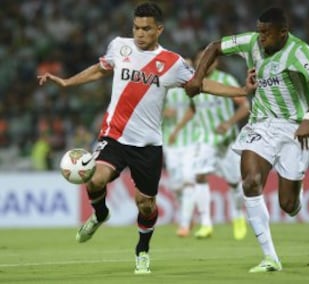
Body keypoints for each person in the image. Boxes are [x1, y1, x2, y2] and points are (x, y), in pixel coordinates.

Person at [37, 2, 255, 274]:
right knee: (94, 178)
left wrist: (242, 91)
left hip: (148, 145)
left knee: (146, 204)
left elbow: (204, 84)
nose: (140, 33)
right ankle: (101, 213)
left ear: (159, 30)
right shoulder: (119, 46)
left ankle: (142, 250)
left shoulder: (173, 63)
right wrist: (67, 82)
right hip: (114, 136)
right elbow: (99, 69)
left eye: (146, 29)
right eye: (136, 28)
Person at [185, 7, 309, 272]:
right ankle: (270, 257)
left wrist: (308, 118)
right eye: (259, 31)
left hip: (294, 128)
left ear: (283, 32)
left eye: (266, 33)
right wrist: (198, 77)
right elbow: (215, 46)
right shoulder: (251, 41)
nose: (261, 37)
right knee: (250, 183)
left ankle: (296, 196)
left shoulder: (300, 51)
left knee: (288, 205)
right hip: (261, 124)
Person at [170, 47, 249, 240]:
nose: (204, 64)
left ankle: (238, 216)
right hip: (205, 138)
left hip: (227, 140)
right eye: (201, 60)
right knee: (199, 176)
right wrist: (178, 128)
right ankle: (206, 223)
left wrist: (229, 123)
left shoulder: (226, 80)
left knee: (234, 182)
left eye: (209, 61)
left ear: (215, 63)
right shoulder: (194, 82)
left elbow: (246, 106)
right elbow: (192, 109)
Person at [162, 57, 200, 234]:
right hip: (170, 143)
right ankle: (188, 215)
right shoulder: (165, 89)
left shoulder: (193, 89)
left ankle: (184, 224)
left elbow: (195, 111)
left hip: (190, 141)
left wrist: (177, 128)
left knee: (188, 180)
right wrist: (163, 112)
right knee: (175, 186)